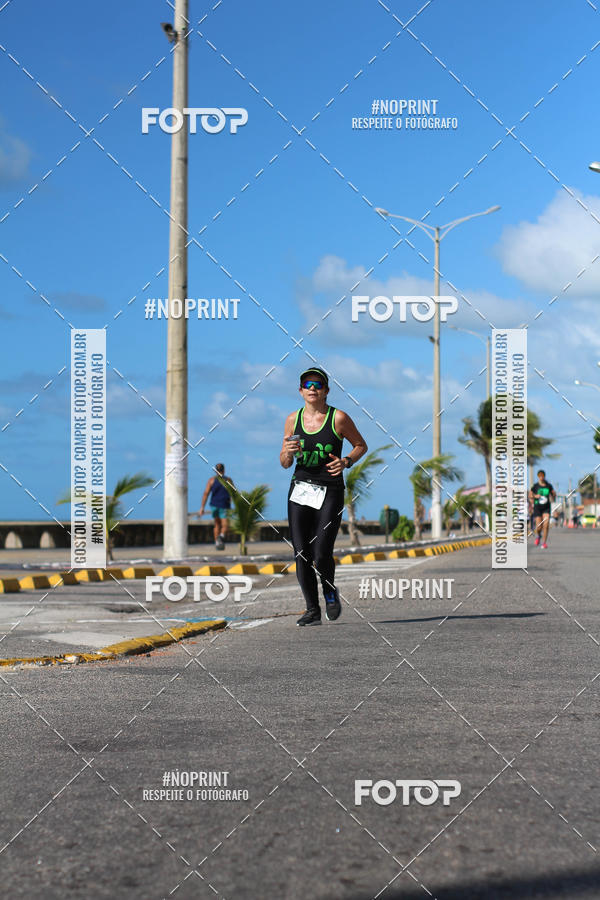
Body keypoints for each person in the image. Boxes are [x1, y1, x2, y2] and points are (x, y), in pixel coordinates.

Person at [280, 367, 368, 626]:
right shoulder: (292, 420)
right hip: (301, 489)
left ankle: (330, 592)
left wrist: (346, 462)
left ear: (326, 391)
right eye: (307, 384)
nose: (312, 388)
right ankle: (311, 610)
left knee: (321, 551)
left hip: (330, 490)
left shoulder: (338, 418)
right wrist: (287, 451)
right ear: (300, 391)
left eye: (318, 384)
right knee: (301, 553)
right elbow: (285, 462)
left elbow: (360, 445)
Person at [199, 463, 234, 550]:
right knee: (225, 525)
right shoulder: (228, 480)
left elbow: (206, 494)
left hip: (214, 505)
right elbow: (234, 493)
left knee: (217, 525)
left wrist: (202, 507)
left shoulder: (211, 480)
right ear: (224, 470)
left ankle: (217, 544)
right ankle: (221, 537)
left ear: (216, 471)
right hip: (224, 505)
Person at [529, 469, 556, 550]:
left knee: (546, 524)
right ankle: (538, 536)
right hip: (538, 507)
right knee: (539, 526)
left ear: (544, 476)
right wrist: (535, 496)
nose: (541, 477)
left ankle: (544, 542)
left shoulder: (549, 485)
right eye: (539, 476)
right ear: (538, 477)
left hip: (546, 507)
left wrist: (554, 495)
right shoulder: (535, 486)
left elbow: (553, 494)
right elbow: (530, 495)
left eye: (542, 476)